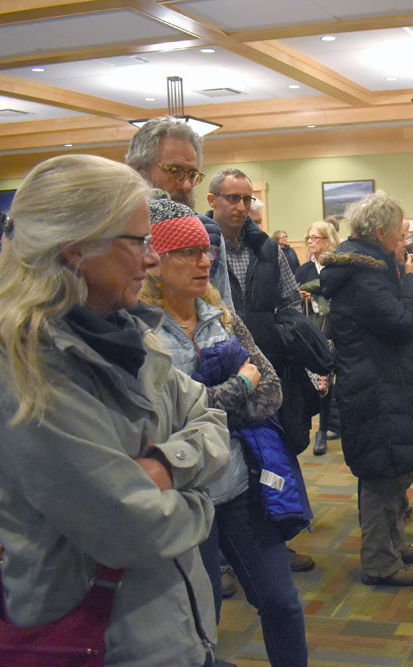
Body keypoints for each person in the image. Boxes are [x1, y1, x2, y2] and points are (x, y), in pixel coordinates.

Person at [0, 154, 229, 665]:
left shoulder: (127, 331)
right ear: (76, 248)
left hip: (173, 630)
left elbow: (209, 415)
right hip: (98, 643)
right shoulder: (22, 371)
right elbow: (135, 531)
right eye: (137, 241)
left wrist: (163, 468)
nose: (152, 259)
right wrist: (205, 496)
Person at [139, 202, 308, 666]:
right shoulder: (142, 332)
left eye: (206, 251)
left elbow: (271, 391)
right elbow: (162, 422)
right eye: (188, 252)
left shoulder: (221, 318)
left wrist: (209, 403)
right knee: (201, 620)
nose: (204, 261)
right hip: (182, 497)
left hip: (238, 484)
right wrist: (238, 387)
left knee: (283, 603)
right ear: (155, 262)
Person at [319, 191, 413, 587]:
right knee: (380, 476)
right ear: (381, 232)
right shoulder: (362, 273)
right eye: (401, 234)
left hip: (383, 381)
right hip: (375, 386)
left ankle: (394, 545)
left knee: (395, 470)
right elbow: (403, 323)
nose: (405, 241)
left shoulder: (369, 266)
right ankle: (379, 562)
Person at [206, 167, 318, 573]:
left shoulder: (267, 249)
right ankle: (222, 558)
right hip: (217, 369)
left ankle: (273, 540)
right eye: (232, 198)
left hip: (267, 364)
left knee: (270, 455)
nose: (240, 206)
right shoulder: (202, 247)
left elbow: (289, 301)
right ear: (212, 201)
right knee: (222, 460)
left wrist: (279, 336)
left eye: (246, 198)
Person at [125, 116, 234, 310]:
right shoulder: (111, 234)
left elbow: (224, 311)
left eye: (192, 175)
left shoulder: (207, 232)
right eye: (174, 171)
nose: (186, 186)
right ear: (138, 170)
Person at [296, 220, 342, 455]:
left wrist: (312, 288)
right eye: (309, 238)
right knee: (320, 385)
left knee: (337, 383)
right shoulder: (304, 269)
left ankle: (328, 428)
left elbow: (332, 289)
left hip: (337, 332)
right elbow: (294, 292)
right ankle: (319, 430)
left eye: (316, 238)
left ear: (327, 240)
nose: (311, 242)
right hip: (313, 333)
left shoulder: (336, 266)